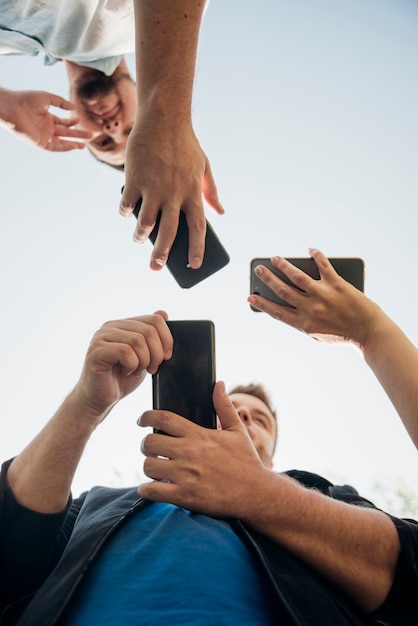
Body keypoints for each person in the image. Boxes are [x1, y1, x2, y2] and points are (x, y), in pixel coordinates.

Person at [1, 311, 417, 625]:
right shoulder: (97, 506)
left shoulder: (325, 500)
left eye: (260, 419)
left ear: (271, 457)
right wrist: (86, 404)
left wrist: (259, 493)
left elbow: (408, 573)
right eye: (233, 409)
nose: (247, 417)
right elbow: (10, 551)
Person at [1, 0, 224, 270]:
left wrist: (4, 107)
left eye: (103, 142)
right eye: (133, 132)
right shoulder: (137, 24)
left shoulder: (12, 47)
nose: (113, 129)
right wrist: (166, 122)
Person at [248, 247, 418, 450]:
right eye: (227, 409)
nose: (243, 414)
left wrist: (368, 330)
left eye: (261, 421)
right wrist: (368, 329)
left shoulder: (321, 484)